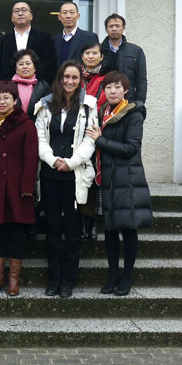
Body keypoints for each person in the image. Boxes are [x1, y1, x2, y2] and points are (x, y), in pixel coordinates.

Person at [34, 60, 97, 298]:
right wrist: (53, 161)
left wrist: (70, 163)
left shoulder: (88, 106)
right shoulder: (45, 105)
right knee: (51, 227)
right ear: (59, 79)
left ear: (80, 80)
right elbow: (40, 137)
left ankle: (68, 281)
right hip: (51, 172)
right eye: (66, 77)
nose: (69, 82)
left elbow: (90, 140)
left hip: (75, 173)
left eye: (74, 78)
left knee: (71, 228)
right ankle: (53, 279)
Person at [85, 71, 152, 297]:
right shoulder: (104, 112)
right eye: (108, 87)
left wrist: (100, 140)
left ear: (126, 90)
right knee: (110, 230)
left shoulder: (133, 113)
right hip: (107, 179)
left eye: (117, 87)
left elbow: (131, 148)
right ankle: (113, 274)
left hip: (127, 180)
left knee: (128, 229)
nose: (112, 91)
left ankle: (127, 275)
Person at [0, 80, 38, 296]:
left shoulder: (26, 124)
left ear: (15, 100)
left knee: (15, 234)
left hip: (16, 188)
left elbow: (31, 159)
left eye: (6, 97)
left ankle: (13, 280)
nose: (1, 101)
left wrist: (27, 187)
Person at [78, 42, 109, 241]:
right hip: (76, 132)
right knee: (79, 179)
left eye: (94, 53)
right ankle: (80, 222)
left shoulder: (106, 79)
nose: (91, 56)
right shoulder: (74, 76)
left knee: (95, 179)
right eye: (87, 53)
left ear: (101, 56)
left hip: (98, 132)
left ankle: (93, 224)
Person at [0, 2, 55, 82]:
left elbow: (49, 64)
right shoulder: (2, 40)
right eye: (16, 11)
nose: (20, 13)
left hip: (38, 88)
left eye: (24, 10)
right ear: (12, 17)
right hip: (9, 88)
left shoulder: (44, 38)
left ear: (31, 16)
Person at [100, 14, 147, 104]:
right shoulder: (99, 50)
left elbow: (141, 80)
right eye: (111, 26)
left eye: (117, 26)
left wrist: (139, 102)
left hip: (128, 101)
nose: (114, 29)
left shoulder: (136, 51)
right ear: (106, 29)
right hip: (103, 101)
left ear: (123, 28)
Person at [52, 1, 99, 65]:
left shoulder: (90, 37)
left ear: (78, 16)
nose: (68, 16)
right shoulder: (54, 40)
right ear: (59, 17)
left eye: (72, 12)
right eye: (65, 13)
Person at [10, 49, 50, 119]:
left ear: (35, 67)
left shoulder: (44, 87)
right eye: (21, 64)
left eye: (28, 63)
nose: (25, 67)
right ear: (15, 69)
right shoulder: (8, 86)